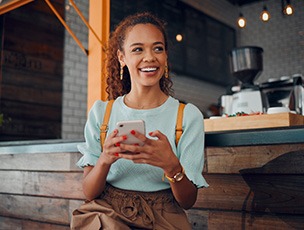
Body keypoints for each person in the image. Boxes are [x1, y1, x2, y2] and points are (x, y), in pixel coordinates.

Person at [71, 12, 208, 230]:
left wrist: (171, 166)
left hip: (166, 217)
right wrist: (105, 159)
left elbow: (188, 201)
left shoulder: (187, 116)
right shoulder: (101, 113)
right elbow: (88, 192)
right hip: (109, 214)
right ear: (122, 57)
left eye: (158, 48)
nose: (150, 57)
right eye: (137, 49)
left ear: (165, 56)